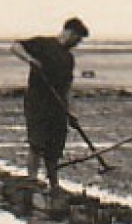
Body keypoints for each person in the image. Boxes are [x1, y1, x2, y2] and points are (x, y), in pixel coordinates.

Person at [11, 17, 89, 192]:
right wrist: (30, 60)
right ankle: (32, 180)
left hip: (58, 106)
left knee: (55, 146)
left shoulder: (68, 58)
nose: (78, 43)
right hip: (38, 102)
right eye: (78, 39)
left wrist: (71, 111)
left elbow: (68, 87)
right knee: (37, 142)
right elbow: (15, 46)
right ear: (70, 32)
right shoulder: (43, 44)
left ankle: (53, 183)